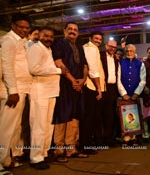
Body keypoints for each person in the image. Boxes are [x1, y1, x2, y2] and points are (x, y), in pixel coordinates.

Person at [27, 27, 64, 169]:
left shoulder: (48, 49)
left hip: (51, 92)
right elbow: (33, 69)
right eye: (45, 36)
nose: (49, 38)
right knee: (38, 127)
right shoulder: (36, 48)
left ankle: (44, 153)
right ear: (39, 36)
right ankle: (35, 158)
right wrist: (58, 70)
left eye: (51, 37)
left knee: (48, 126)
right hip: (39, 92)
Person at [51, 22, 88, 162]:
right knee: (62, 116)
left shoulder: (79, 46)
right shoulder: (59, 43)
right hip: (64, 85)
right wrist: (73, 80)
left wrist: (83, 80)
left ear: (78, 33)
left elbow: (85, 65)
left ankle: (71, 148)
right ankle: (59, 149)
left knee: (75, 117)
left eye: (75, 30)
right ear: (64, 30)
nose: (73, 31)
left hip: (78, 86)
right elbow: (58, 62)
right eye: (70, 29)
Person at [0, 13, 32, 169]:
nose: (24, 30)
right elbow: (7, 66)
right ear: (13, 25)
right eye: (21, 27)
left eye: (27, 27)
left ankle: (6, 160)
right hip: (13, 91)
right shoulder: (8, 40)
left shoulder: (23, 42)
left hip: (22, 89)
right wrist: (12, 90)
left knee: (15, 127)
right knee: (6, 128)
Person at [81, 31, 105, 154]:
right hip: (91, 88)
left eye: (100, 39)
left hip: (91, 87)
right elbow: (93, 70)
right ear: (90, 38)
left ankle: (89, 144)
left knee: (92, 118)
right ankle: (86, 146)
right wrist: (99, 88)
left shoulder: (91, 48)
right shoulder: (91, 48)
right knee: (89, 118)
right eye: (96, 38)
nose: (98, 41)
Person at [118, 44, 146, 145]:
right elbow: (118, 79)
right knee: (124, 116)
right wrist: (123, 93)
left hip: (135, 95)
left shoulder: (140, 64)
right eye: (127, 51)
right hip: (124, 96)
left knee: (136, 115)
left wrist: (136, 93)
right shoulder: (120, 63)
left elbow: (143, 80)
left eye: (131, 51)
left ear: (135, 52)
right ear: (125, 52)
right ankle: (126, 137)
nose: (129, 53)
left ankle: (134, 137)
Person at [99, 39, 120, 146]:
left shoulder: (116, 59)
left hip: (112, 89)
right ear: (106, 46)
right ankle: (99, 140)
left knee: (110, 116)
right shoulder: (99, 55)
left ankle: (108, 139)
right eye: (110, 46)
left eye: (114, 47)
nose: (112, 48)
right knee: (99, 115)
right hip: (102, 88)